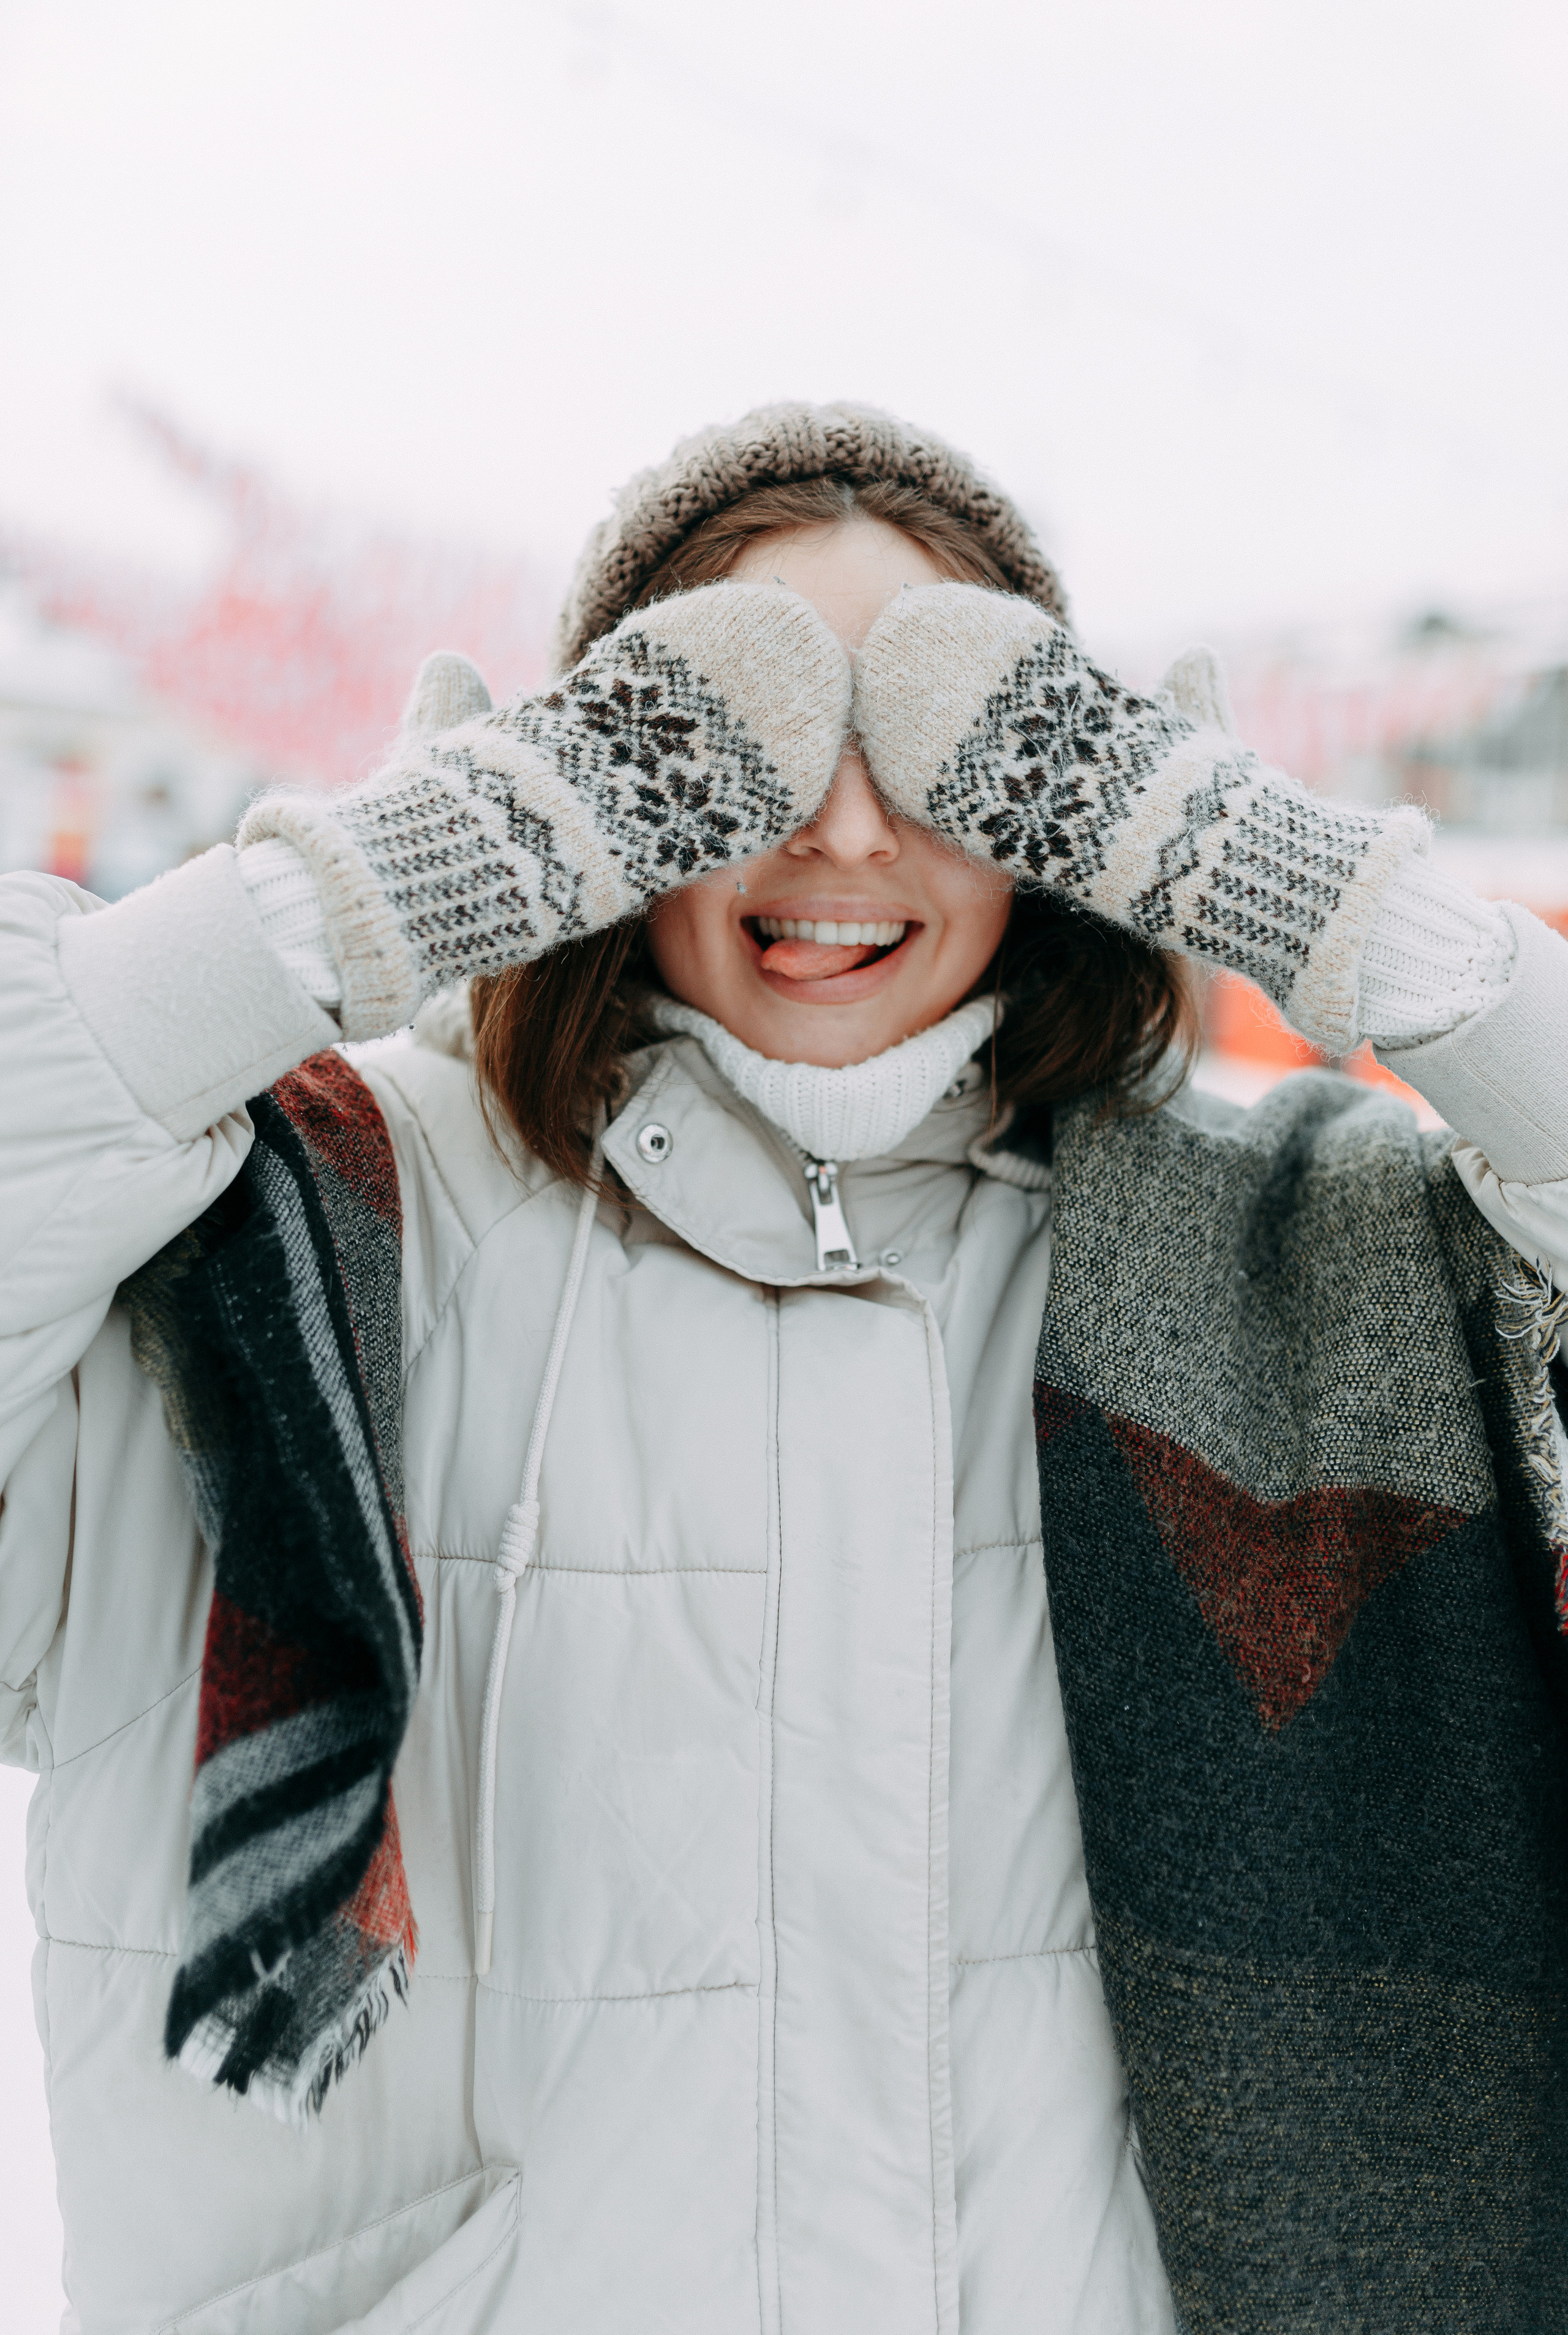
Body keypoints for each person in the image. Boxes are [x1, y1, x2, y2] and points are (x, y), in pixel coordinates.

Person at [2, 401, 1564, 2335]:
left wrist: (1345, 920)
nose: (840, 831)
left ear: (1083, 818)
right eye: (719, 749)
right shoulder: (292, 1237)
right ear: (575, 798)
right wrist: (327, 913)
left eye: (950, 753)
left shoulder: (1311, 1250)